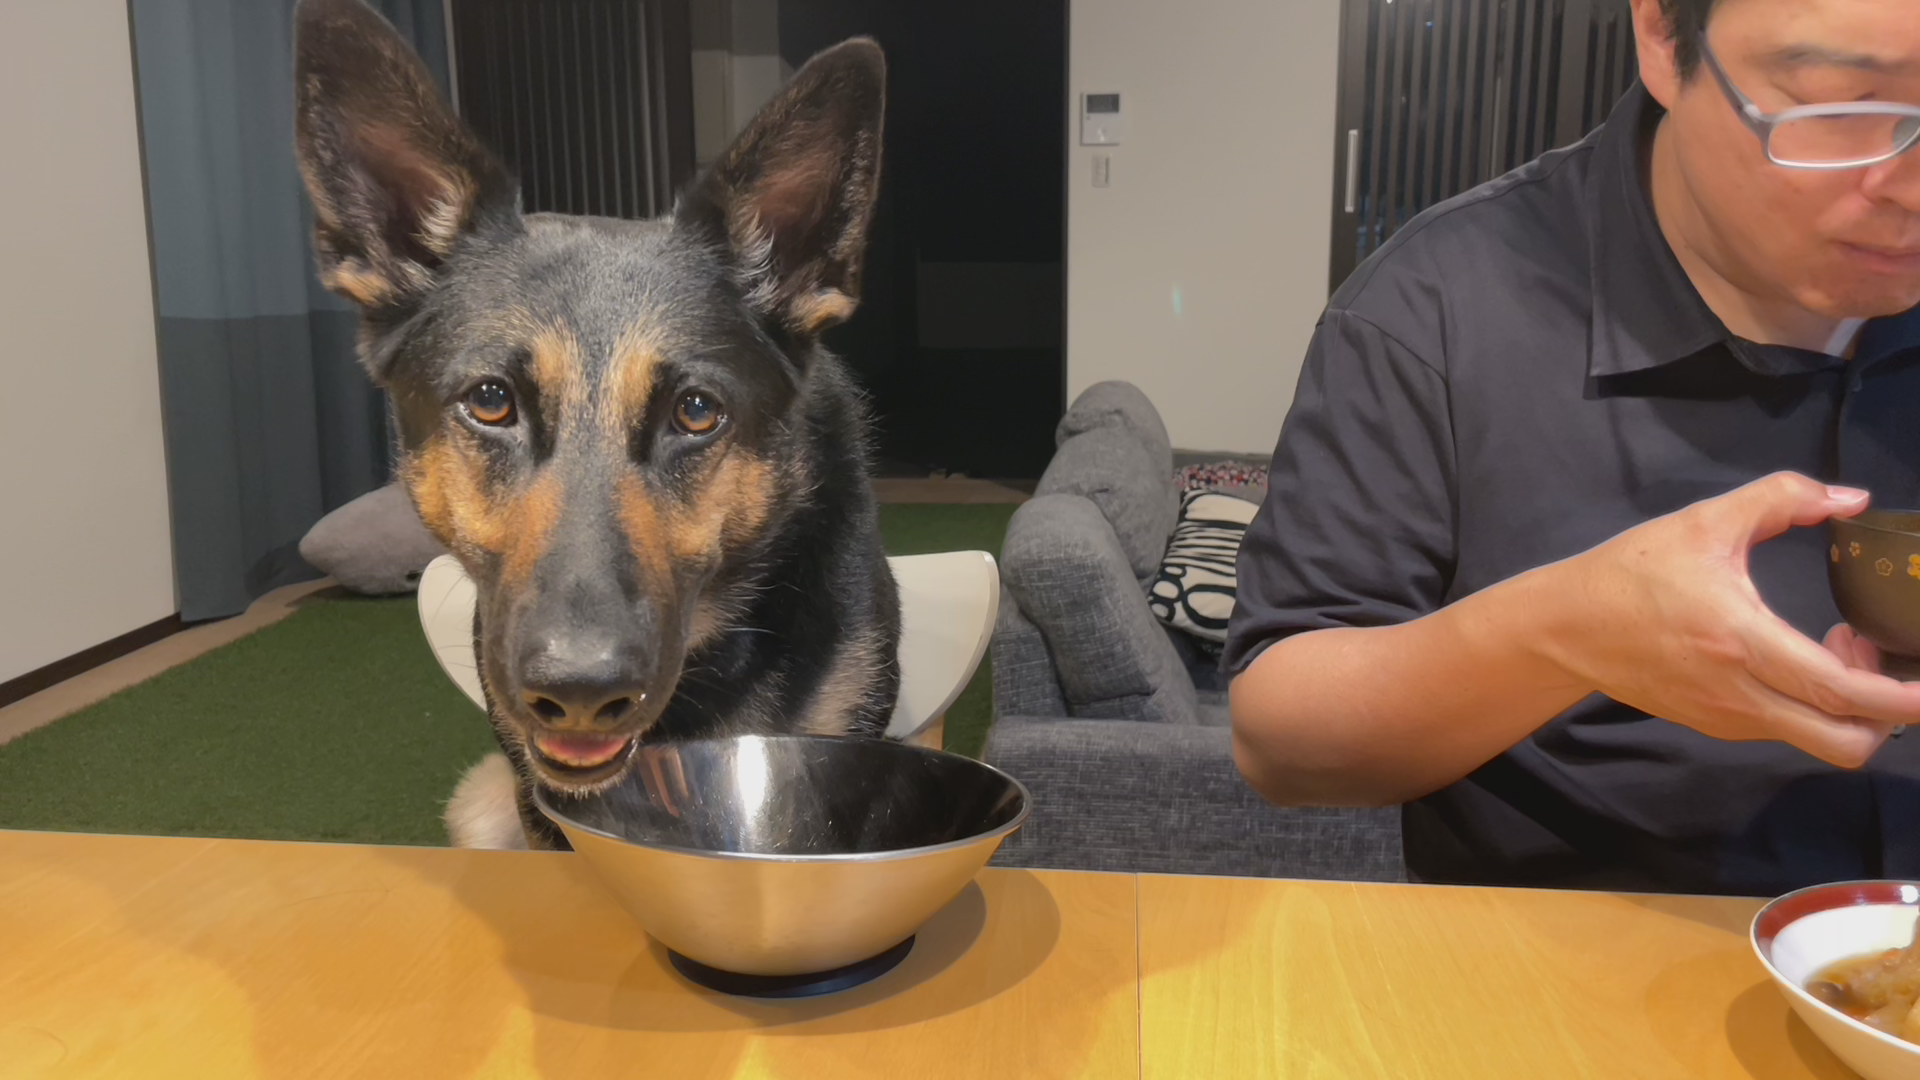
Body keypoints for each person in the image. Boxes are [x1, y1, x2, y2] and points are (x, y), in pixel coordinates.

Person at [1225, 0, 1920, 895]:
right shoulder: (1443, 307)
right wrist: (1568, 633)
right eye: (1837, 105)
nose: (1909, 187)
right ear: (1663, 34)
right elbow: (1281, 741)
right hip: (1589, 958)